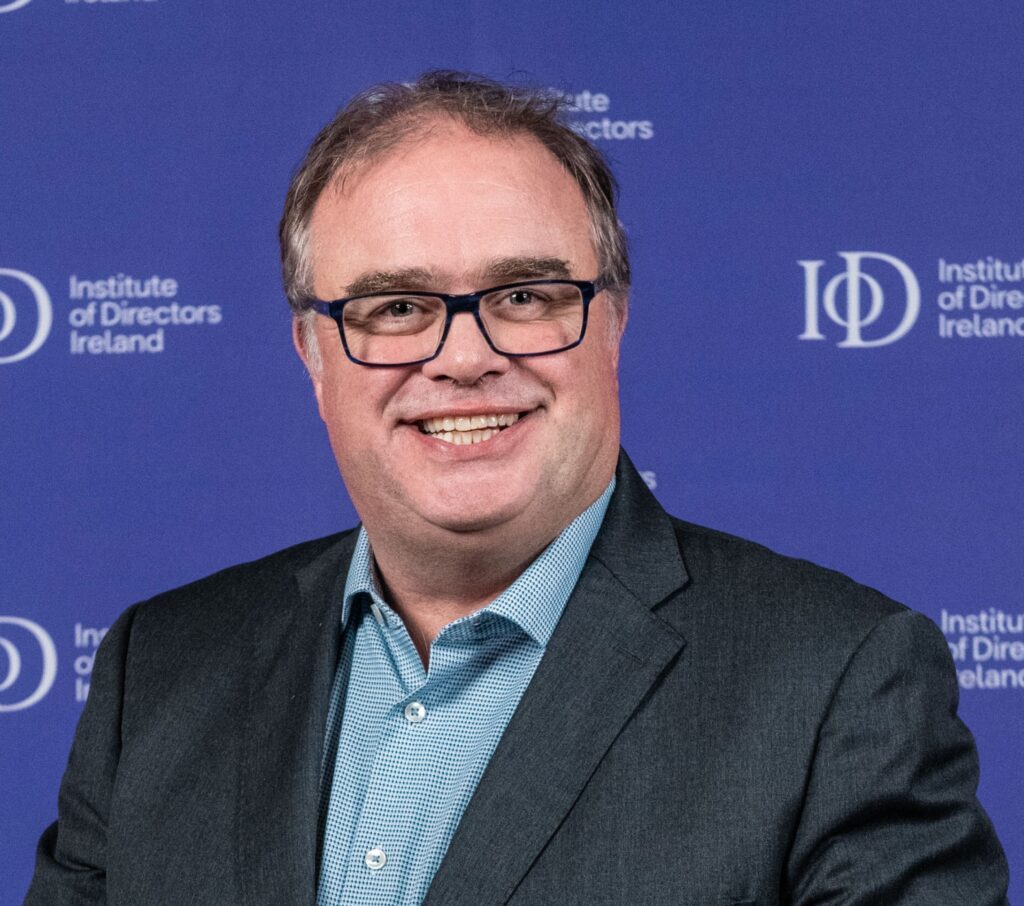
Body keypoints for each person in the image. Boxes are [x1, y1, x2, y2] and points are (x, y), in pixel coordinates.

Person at [27, 71, 1009, 906]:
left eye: (526, 297)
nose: (462, 357)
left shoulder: (836, 686)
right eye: (396, 306)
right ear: (312, 353)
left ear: (615, 321)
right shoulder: (155, 674)